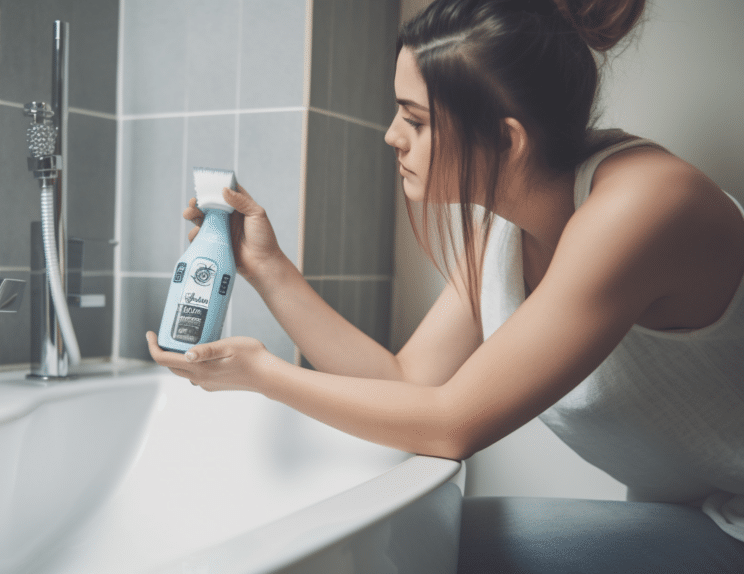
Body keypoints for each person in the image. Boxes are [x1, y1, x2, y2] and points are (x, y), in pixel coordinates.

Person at [147, 0, 744, 570]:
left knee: (398, 545)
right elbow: (408, 383)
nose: (390, 136)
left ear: (507, 140)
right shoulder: (505, 229)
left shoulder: (641, 205)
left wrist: (262, 375)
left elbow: (451, 422)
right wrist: (269, 268)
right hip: (690, 517)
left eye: (415, 119)